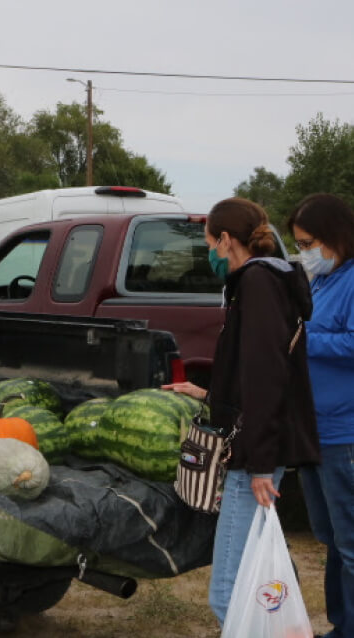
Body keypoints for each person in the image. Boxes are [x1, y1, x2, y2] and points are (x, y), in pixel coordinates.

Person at [162, 197, 319, 627]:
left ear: (227, 240)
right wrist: (210, 391)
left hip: (253, 459)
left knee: (229, 591)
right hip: (257, 450)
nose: (209, 252)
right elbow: (252, 369)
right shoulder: (263, 281)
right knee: (257, 583)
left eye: (210, 242)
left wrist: (263, 464)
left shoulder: (256, 284)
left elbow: (267, 375)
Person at [288, 193, 354, 638]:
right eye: (299, 244)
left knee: (350, 545)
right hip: (313, 430)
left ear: (336, 237)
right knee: (331, 541)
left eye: (309, 243)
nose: (304, 253)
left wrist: (304, 337)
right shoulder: (323, 281)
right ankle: (339, 626)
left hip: (344, 433)